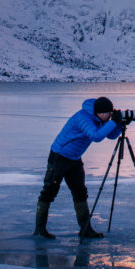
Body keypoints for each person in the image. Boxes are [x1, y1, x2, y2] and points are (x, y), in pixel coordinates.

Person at [34, 96, 121, 239]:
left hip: (74, 158)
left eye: (110, 113)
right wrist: (113, 122)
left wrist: (118, 124)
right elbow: (96, 136)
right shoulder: (83, 118)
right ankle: (39, 229)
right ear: (99, 112)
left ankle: (85, 229)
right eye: (107, 113)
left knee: (80, 192)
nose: (109, 115)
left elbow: (110, 135)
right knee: (49, 191)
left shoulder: (99, 118)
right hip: (60, 156)